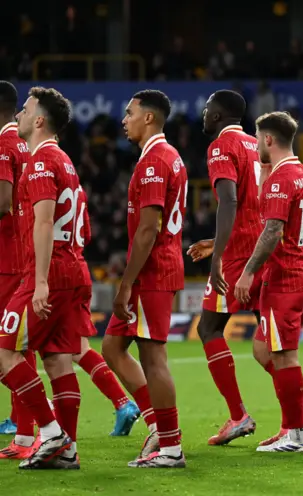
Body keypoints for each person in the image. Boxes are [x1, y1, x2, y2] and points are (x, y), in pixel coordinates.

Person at [187, 90, 303, 447]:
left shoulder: (220, 147)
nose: (202, 115)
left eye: (206, 110)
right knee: (268, 345)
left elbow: (230, 200)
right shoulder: (255, 146)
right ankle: (301, 409)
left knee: (209, 328)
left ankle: (240, 415)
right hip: (266, 251)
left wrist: (219, 255)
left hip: (240, 257)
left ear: (217, 115)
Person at [101, 90, 188, 468]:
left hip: (153, 272)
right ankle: (156, 425)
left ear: (148, 118)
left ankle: (170, 447)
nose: (124, 119)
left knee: (154, 358)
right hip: (153, 270)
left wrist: (125, 283)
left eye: (129, 112)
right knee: (112, 349)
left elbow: (148, 231)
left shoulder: (154, 161)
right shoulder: (164, 157)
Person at [0, 86, 82, 469]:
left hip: (45, 272)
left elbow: (45, 221)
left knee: (6, 351)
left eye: (26, 109)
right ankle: (67, 450)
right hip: (70, 267)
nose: (18, 114)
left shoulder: (38, 161)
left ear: (39, 120)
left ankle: (50, 433)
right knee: (57, 361)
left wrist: (41, 281)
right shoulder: (63, 159)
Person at [234, 111, 303, 453]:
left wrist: (248, 271)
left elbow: (272, 230)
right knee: (263, 349)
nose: (255, 145)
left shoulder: (282, 180)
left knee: (285, 357)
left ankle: (297, 435)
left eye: (257, 138)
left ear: (268, 139)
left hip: (285, 279)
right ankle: (300, 417)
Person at [71, 186, 141, 436]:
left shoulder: (35, 176)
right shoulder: (75, 184)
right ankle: (123, 403)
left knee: (18, 349)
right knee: (77, 348)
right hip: (78, 267)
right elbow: (87, 234)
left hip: (48, 271)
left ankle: (31, 421)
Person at [0, 81, 37, 455]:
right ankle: (26, 431)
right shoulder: (25, 145)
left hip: (6, 261)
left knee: (8, 348)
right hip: (20, 256)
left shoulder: (5, 144)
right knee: (17, 346)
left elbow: (2, 203)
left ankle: (41, 421)